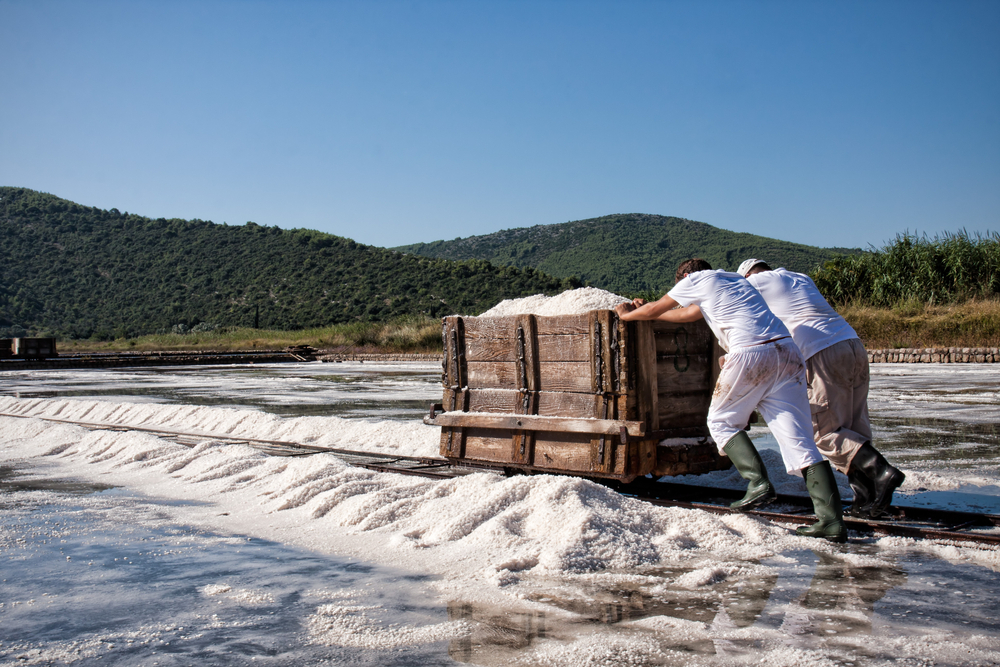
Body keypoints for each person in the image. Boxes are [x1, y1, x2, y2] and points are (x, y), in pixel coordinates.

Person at [615, 258, 846, 542]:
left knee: (720, 421)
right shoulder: (735, 281)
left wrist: (627, 314)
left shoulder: (694, 280)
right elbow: (687, 314)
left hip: (750, 353)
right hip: (788, 353)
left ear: (685, 276)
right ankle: (832, 521)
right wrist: (650, 314)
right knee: (800, 441)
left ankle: (757, 483)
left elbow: (656, 307)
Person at [736, 259, 905, 518]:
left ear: (748, 274)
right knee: (853, 427)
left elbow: (722, 294)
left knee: (822, 432)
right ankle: (867, 501)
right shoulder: (800, 277)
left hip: (820, 351)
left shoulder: (755, 282)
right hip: (852, 344)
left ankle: (882, 472)